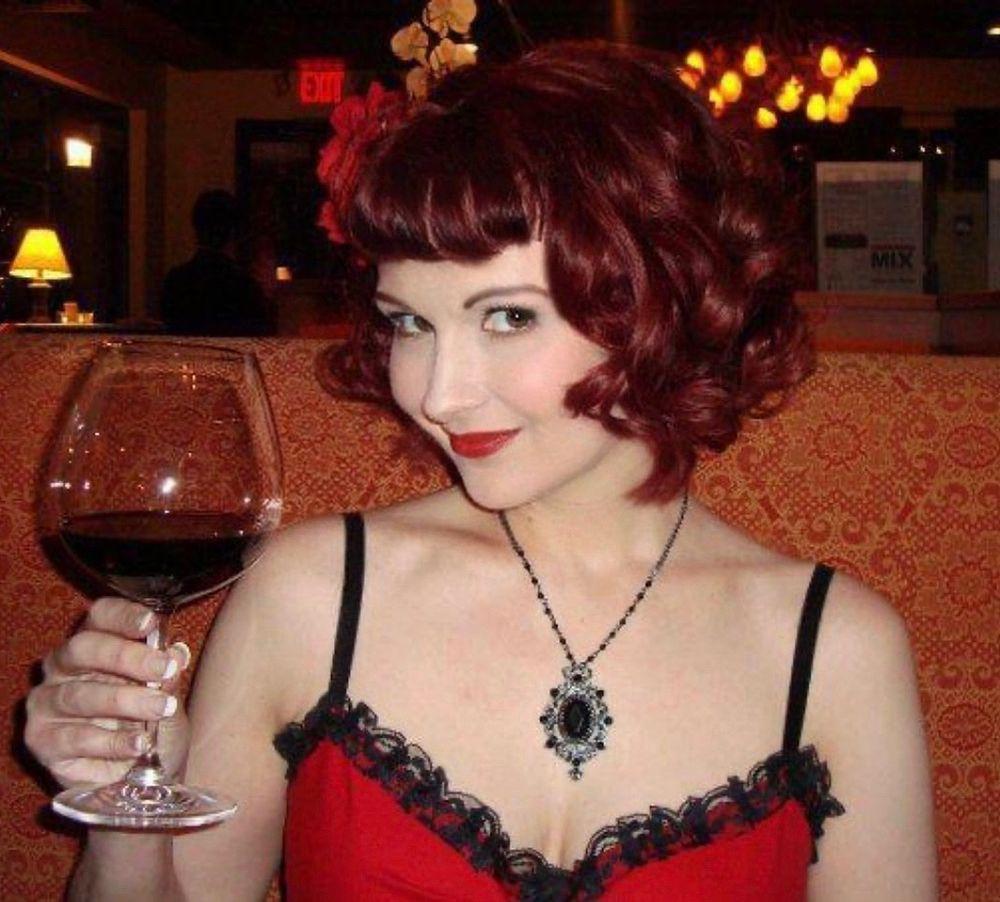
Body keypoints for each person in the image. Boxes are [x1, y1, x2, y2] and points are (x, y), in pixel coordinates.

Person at [25, 42, 936, 899]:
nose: (439, 394)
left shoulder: (837, 652)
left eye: (507, 316)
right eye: (410, 323)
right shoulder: (310, 596)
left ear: (664, 301)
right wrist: (122, 811)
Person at [160, 188, 273, 336]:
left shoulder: (175, 280)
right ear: (234, 232)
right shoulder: (243, 286)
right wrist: (268, 298)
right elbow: (261, 335)